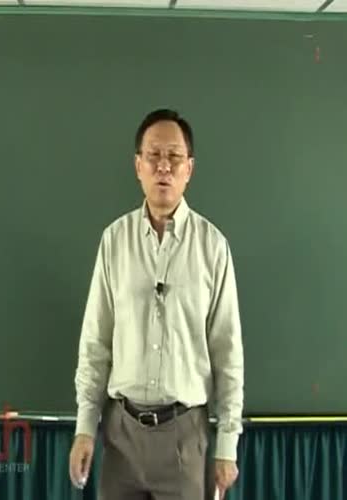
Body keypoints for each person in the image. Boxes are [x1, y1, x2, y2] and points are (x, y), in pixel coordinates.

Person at [69, 108, 244, 500]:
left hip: (185, 436)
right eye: (154, 156)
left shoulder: (213, 247)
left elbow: (228, 354)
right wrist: (85, 428)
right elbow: (95, 344)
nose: (163, 167)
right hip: (121, 437)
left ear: (189, 169)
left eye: (174, 157)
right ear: (138, 166)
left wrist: (227, 445)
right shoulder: (114, 241)